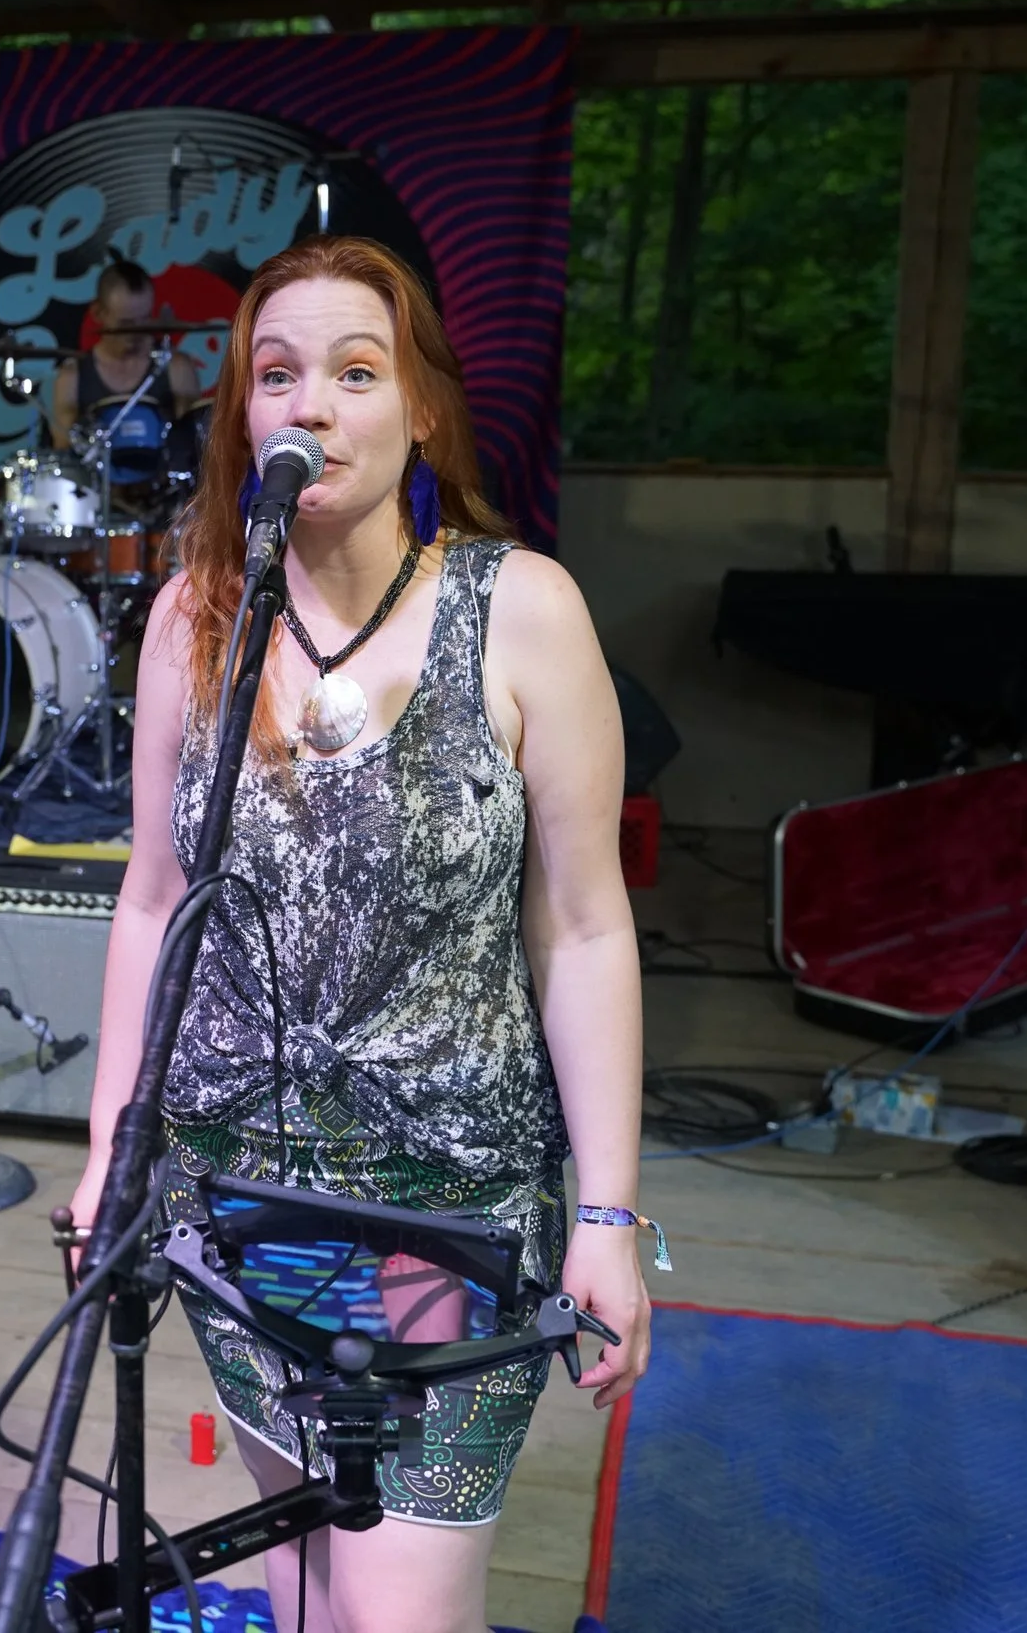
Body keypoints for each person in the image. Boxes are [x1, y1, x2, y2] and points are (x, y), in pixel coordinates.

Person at [65, 235, 653, 1633]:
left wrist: (609, 1215)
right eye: (276, 376)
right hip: (237, 1190)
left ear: (421, 409)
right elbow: (152, 899)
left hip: (452, 1200)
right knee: (305, 1570)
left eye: (355, 371)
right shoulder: (194, 618)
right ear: (243, 415)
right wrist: (107, 1154)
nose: (311, 406)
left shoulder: (522, 610)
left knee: (402, 1608)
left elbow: (583, 930)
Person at [49, 258, 204, 476]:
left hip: (163, 491)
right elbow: (65, 454)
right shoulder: (72, 376)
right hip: (98, 491)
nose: (136, 333)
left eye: (144, 319)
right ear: (98, 313)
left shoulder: (176, 367)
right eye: (126, 323)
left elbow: (194, 448)